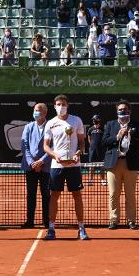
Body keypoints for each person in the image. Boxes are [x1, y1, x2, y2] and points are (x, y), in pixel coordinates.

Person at [43, 95, 89, 240]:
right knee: (54, 196)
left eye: (63, 104)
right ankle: (51, 229)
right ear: (54, 106)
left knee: (77, 195)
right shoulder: (50, 123)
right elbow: (46, 146)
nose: (61, 106)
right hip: (57, 165)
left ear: (67, 105)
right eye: (58, 104)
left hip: (74, 165)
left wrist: (78, 153)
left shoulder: (76, 120)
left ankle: (81, 228)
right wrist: (54, 155)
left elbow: (82, 143)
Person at [102, 101, 139, 230]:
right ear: (116, 111)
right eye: (120, 109)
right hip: (114, 163)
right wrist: (117, 136)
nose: (122, 111)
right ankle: (114, 220)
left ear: (129, 111)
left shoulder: (136, 125)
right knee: (113, 194)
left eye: (125, 109)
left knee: (130, 194)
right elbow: (104, 141)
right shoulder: (110, 124)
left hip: (130, 163)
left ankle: (131, 221)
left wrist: (130, 137)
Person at [21, 103, 51, 228]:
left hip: (46, 167)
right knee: (31, 194)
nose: (35, 112)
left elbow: (53, 147)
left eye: (38, 110)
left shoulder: (51, 126)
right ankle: (30, 221)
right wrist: (32, 163)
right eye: (34, 110)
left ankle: (47, 220)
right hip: (30, 167)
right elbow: (24, 146)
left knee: (46, 194)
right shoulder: (28, 127)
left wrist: (41, 161)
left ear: (44, 113)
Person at [87, 115, 106, 186]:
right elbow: (89, 139)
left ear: (98, 120)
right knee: (92, 165)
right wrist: (92, 145)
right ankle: (91, 180)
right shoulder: (90, 129)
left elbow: (105, 138)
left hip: (101, 150)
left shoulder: (103, 129)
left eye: (95, 119)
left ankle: (103, 180)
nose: (93, 121)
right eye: (93, 120)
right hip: (92, 150)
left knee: (102, 166)